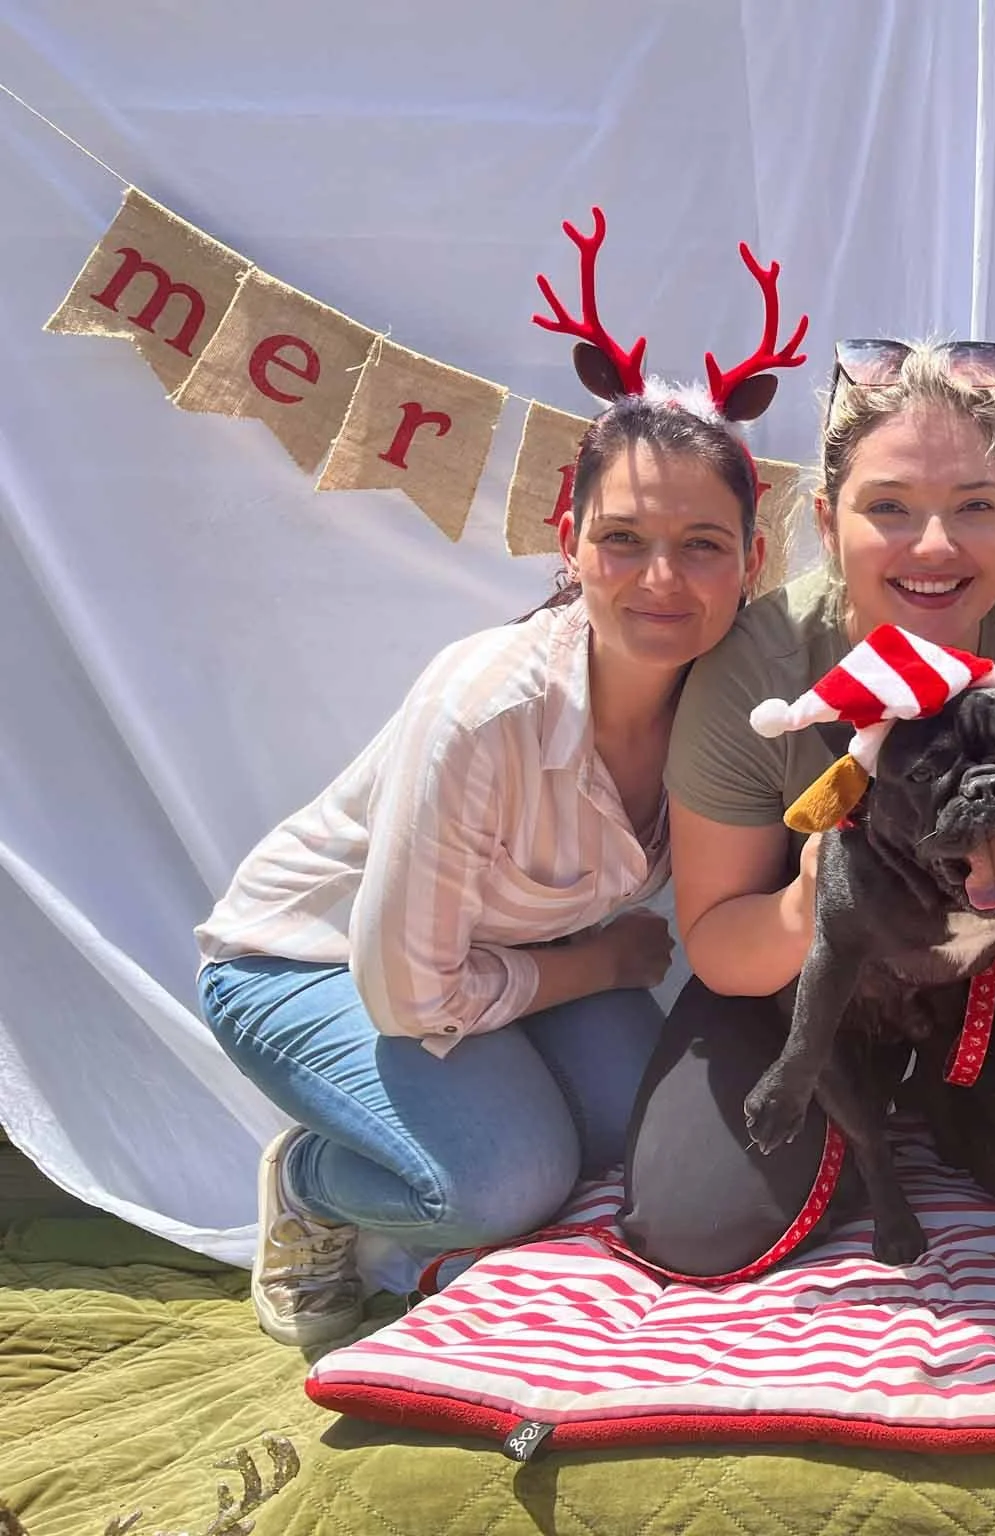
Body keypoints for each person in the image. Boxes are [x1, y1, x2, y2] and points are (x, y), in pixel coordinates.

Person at [195, 219, 806, 1345]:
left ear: (752, 562)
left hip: (503, 962)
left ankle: (502, 1097)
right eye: (623, 540)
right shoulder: (485, 708)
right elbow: (402, 996)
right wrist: (601, 965)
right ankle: (314, 1184)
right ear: (567, 542)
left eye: (702, 545)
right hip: (316, 961)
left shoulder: (737, 702)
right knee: (498, 1188)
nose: (662, 579)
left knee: (648, 1139)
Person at [621, 340, 995, 1273]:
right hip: (810, 974)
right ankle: (862, 1119)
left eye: (973, 508)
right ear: (826, 518)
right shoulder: (759, 674)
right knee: (697, 1225)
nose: (933, 547)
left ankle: (950, 1100)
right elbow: (721, 942)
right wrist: (816, 897)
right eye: (887, 508)